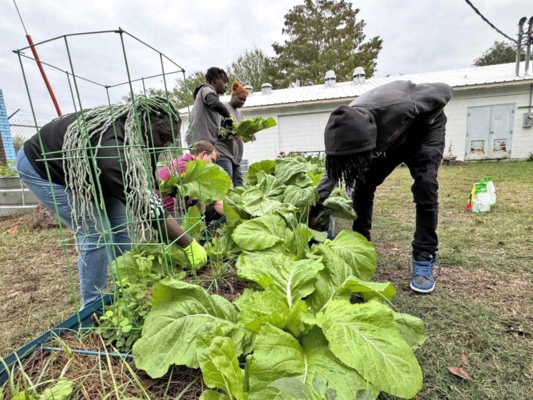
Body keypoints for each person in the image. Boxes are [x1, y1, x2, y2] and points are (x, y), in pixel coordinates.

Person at [16, 97, 208, 309]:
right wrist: (188, 244)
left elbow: (145, 174)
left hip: (92, 171)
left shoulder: (135, 134)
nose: (164, 144)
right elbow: (146, 206)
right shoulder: (112, 147)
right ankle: (93, 308)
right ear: (144, 124)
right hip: (45, 168)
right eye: (163, 137)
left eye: (169, 140)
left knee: (121, 227)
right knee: (96, 232)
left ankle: (128, 289)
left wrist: (165, 188)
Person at [316, 80, 453, 294]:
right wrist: (316, 202)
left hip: (423, 132)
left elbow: (445, 90)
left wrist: (421, 124)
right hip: (388, 142)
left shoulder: (401, 104)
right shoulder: (346, 127)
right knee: (363, 184)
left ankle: (423, 255)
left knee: (426, 185)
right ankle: (360, 245)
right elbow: (334, 171)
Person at [158, 140, 224, 223]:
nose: (213, 165)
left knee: (201, 203)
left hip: (159, 207)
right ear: (203, 154)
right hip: (166, 213)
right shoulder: (191, 168)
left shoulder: (181, 161)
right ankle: (195, 232)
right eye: (212, 160)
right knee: (212, 206)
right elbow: (217, 201)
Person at [185, 67, 232, 148]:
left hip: (206, 142)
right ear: (214, 80)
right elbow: (214, 103)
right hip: (198, 142)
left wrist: (220, 129)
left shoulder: (213, 102)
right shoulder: (206, 89)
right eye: (224, 82)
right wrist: (229, 116)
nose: (226, 86)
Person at [217, 81, 250, 187]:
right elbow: (216, 127)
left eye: (244, 101)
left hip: (236, 154)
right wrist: (229, 133)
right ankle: (220, 204)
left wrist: (249, 134)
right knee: (225, 181)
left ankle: (239, 203)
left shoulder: (239, 113)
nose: (242, 102)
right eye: (240, 99)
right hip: (223, 152)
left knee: (239, 183)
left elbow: (240, 130)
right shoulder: (223, 107)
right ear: (233, 95)